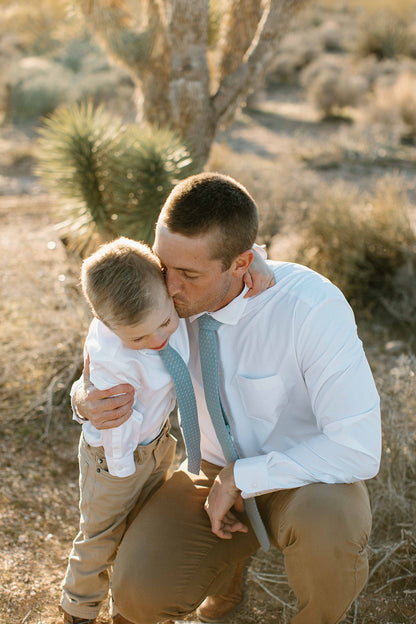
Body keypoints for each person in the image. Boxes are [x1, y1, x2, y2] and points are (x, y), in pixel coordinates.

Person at [73, 172, 381, 624]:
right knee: (138, 593)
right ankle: (226, 586)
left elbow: (358, 448)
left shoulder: (311, 308)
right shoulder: (161, 297)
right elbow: (107, 345)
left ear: (241, 264)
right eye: (164, 266)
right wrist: (83, 400)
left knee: (332, 528)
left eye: (188, 275)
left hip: (307, 478)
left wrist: (242, 476)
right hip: (208, 471)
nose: (169, 288)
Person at [61, 235, 272, 624]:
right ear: (108, 325)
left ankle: (125, 607)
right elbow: (116, 427)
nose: (159, 340)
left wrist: (254, 257)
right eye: (140, 338)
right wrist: (124, 473)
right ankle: (78, 608)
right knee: (101, 534)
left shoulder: (162, 299)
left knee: (139, 525)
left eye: (164, 325)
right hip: (114, 458)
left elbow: (219, 256)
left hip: (158, 444)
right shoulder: (115, 360)